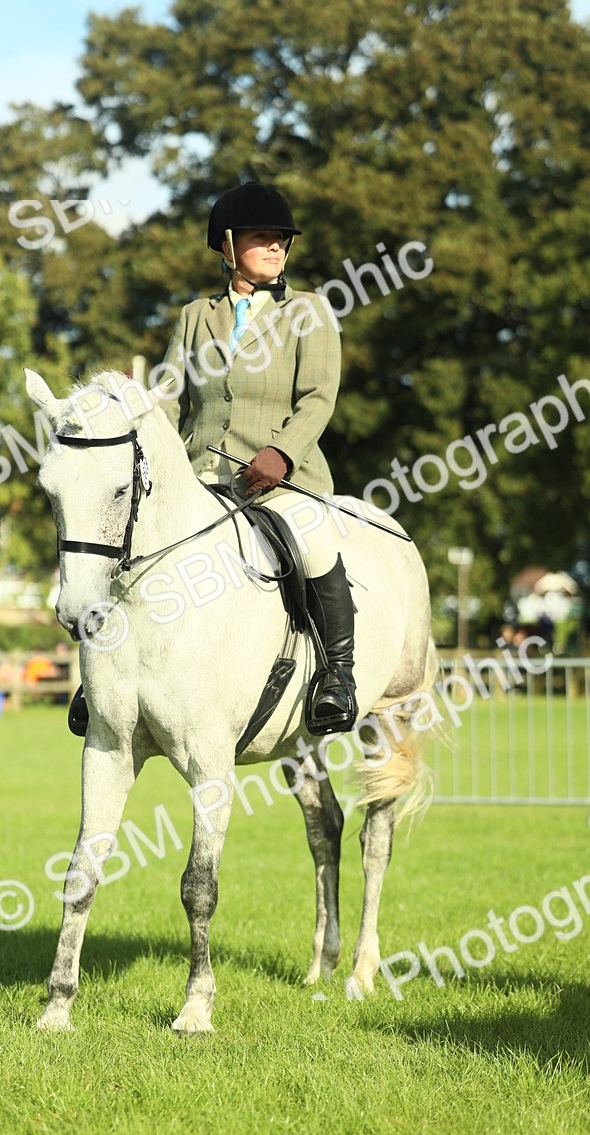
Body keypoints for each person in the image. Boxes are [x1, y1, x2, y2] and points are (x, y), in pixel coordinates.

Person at [68, 181, 356, 738]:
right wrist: (141, 417)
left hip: (281, 482)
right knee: (127, 546)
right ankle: (99, 676)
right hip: (202, 476)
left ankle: (336, 677)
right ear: (228, 246)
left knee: (316, 542)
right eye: (262, 237)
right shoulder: (196, 317)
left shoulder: (310, 311)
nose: (276, 247)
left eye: (281, 240)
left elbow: (320, 396)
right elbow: (173, 398)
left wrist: (283, 453)